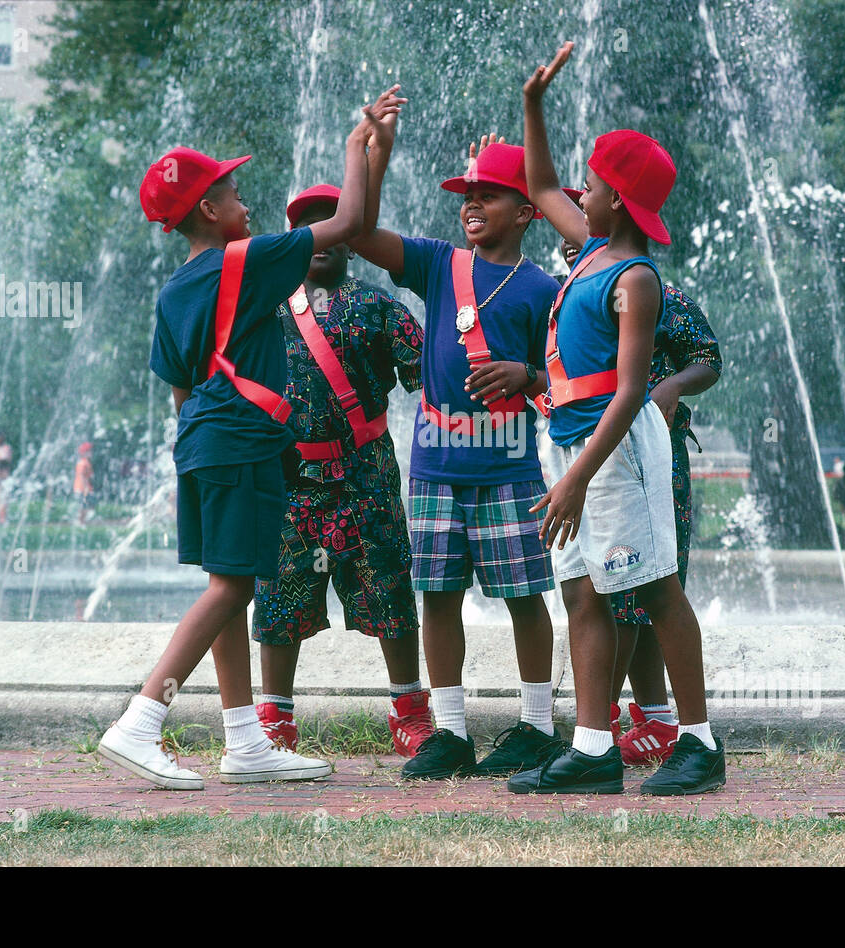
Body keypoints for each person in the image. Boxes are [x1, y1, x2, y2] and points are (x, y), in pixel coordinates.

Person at [97, 93, 395, 790]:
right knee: (235, 585)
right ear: (208, 209)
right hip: (241, 442)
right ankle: (142, 718)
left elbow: (178, 387)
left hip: (201, 442)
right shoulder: (251, 259)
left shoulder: (173, 291)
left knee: (228, 586)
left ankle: (245, 741)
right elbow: (349, 223)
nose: (248, 205)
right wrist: (359, 145)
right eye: (235, 194)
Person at [510, 42, 724, 795]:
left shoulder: (634, 279)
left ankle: (698, 743)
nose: (579, 191)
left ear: (618, 204)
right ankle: (595, 747)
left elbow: (632, 391)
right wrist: (534, 103)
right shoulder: (590, 251)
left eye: (593, 186)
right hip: (571, 442)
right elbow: (538, 183)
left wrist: (576, 478)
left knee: (656, 588)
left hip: (616, 449)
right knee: (585, 593)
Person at [350, 123, 563, 780]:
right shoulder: (440, 263)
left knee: (524, 593)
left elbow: (565, 381)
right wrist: (376, 155)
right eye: (467, 195)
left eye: (490, 194)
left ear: (528, 211)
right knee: (436, 594)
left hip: (507, 470)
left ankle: (537, 726)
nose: (472, 204)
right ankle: (450, 731)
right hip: (437, 468)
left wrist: (526, 376)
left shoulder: (544, 290)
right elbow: (359, 234)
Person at [255, 171, 434, 758]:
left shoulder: (379, 307)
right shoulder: (266, 310)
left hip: (367, 482)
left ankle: (409, 709)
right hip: (290, 484)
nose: (322, 237)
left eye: (333, 223)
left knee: (390, 592)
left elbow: (431, 378)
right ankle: (275, 717)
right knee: (280, 598)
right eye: (309, 226)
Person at [557, 203, 724, 763]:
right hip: (585, 445)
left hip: (641, 454)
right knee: (601, 590)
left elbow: (706, 358)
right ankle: (607, 734)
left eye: (590, 191)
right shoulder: (581, 281)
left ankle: (680, 731)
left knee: (646, 586)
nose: (573, 224)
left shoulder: (648, 288)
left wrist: (673, 386)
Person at [73, 441, 95, 526]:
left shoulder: (86, 462)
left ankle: (82, 521)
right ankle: (80, 522)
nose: (91, 453)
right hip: (81, 488)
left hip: (84, 488)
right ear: (84, 453)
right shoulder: (83, 463)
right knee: (83, 506)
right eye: (89, 451)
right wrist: (86, 488)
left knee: (86, 505)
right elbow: (82, 476)